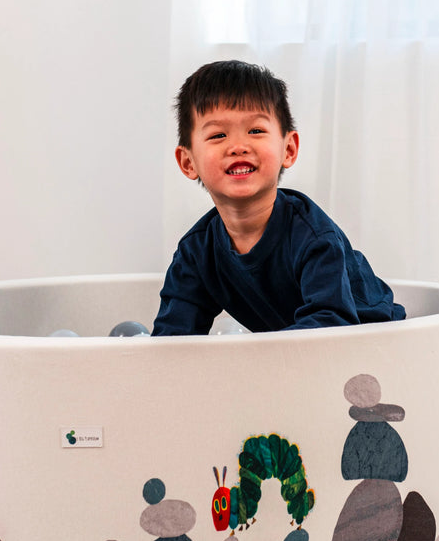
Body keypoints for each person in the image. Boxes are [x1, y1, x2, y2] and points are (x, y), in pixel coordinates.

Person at [153, 60, 406, 335]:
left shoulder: (312, 237)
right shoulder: (197, 251)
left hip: (374, 339)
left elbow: (331, 325)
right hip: (292, 353)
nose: (238, 146)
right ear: (188, 162)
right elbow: (172, 338)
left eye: (256, 131)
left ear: (289, 148)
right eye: (218, 135)